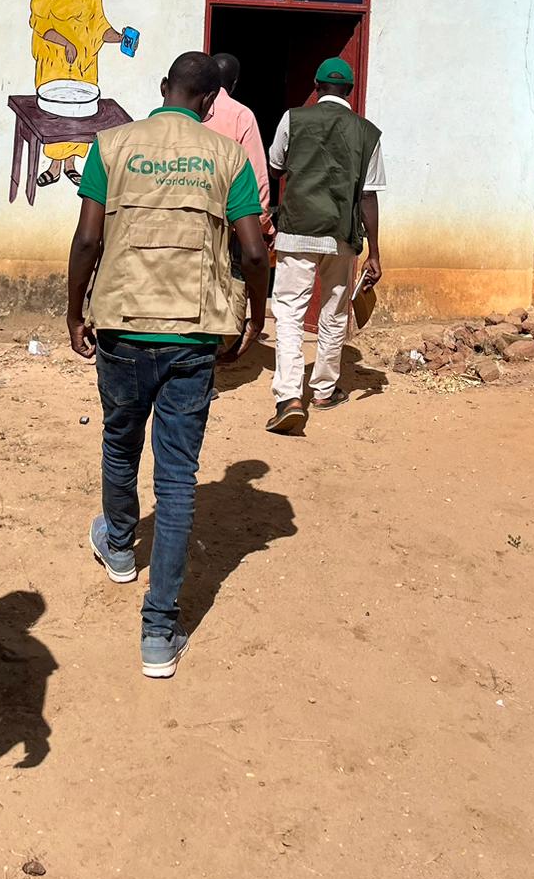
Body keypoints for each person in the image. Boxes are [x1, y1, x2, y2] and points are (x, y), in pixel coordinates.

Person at [66, 51, 269, 678]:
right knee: (178, 479)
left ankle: (121, 546)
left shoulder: (111, 145)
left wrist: (75, 311)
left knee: (120, 443)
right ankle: (159, 631)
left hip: (123, 324)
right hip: (193, 331)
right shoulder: (227, 156)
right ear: (211, 102)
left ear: (163, 89)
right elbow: (255, 248)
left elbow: (87, 239)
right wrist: (254, 315)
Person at [265, 56, 384, 434]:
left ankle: (289, 396)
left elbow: (276, 162)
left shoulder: (292, 118)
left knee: (289, 311)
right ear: (349, 91)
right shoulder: (368, 133)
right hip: (341, 234)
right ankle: (324, 389)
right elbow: (367, 196)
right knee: (333, 312)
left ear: (317, 87)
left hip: (297, 227)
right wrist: (375, 252)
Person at [29, 0, 123, 187]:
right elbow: (41, 25)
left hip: (85, 65)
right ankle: (54, 166)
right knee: (57, 114)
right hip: (55, 62)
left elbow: (100, 25)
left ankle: (71, 164)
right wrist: (66, 42)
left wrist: (120, 38)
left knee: (81, 116)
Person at [202, 52, 272, 233]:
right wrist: (262, 222)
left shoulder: (191, 109)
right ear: (234, 84)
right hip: (226, 221)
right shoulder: (241, 115)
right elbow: (257, 176)